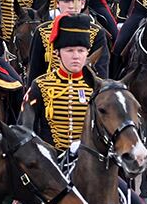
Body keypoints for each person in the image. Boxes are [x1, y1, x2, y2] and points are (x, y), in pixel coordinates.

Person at [23, 14, 104, 154]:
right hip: (49, 162)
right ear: (57, 53)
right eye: (69, 50)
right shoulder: (40, 85)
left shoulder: (99, 88)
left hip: (89, 162)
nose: (76, 56)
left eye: (81, 51)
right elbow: (26, 129)